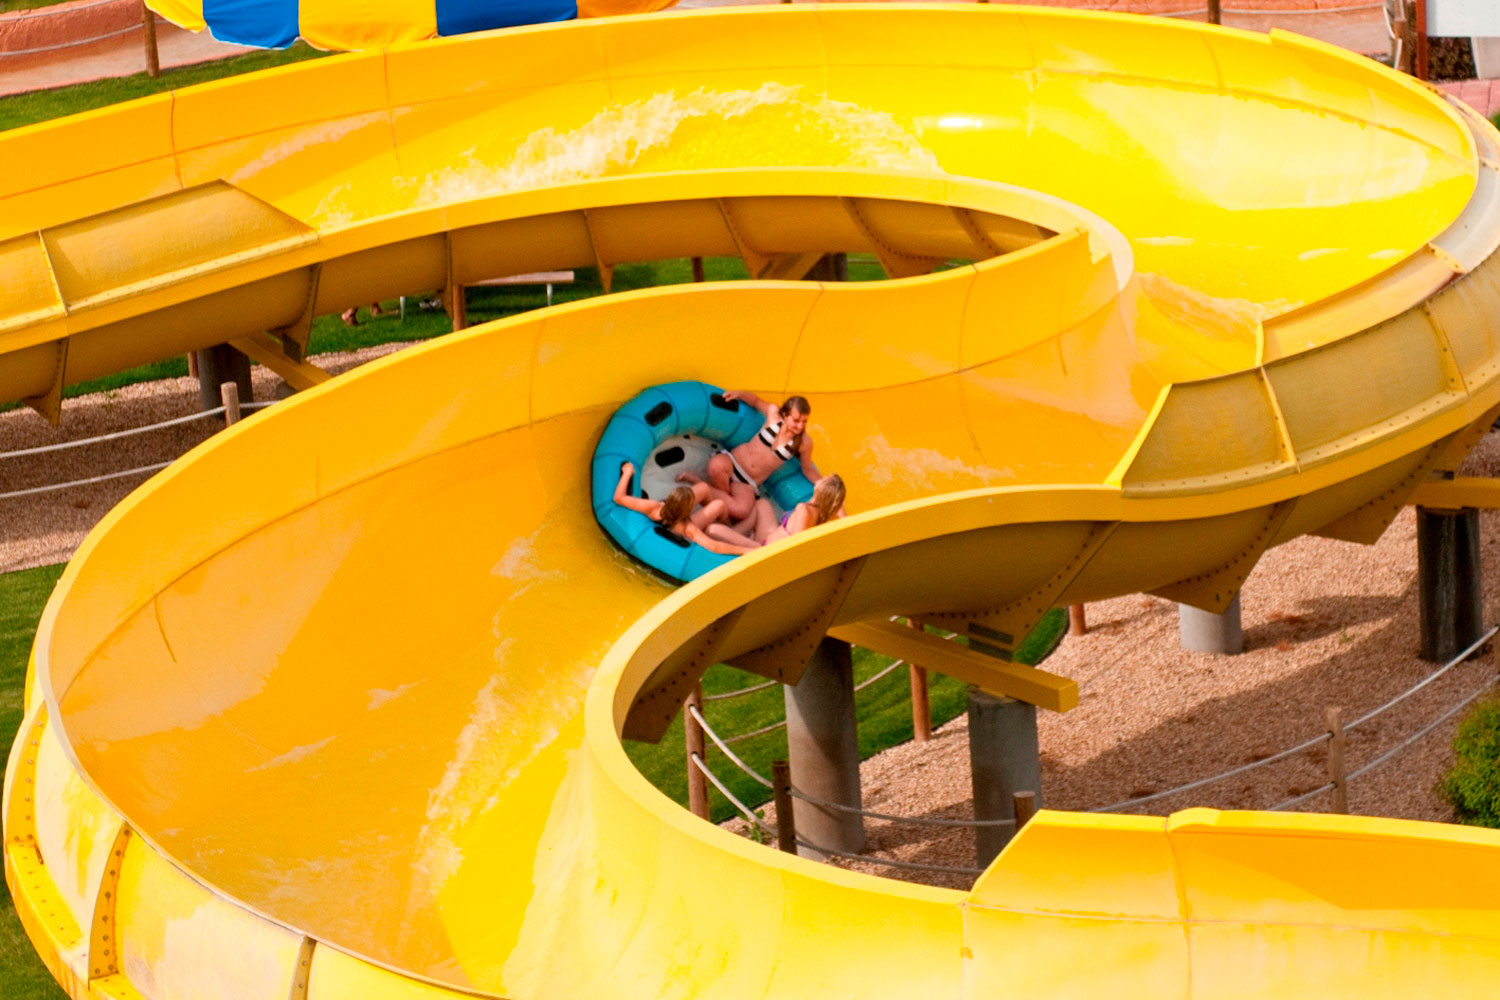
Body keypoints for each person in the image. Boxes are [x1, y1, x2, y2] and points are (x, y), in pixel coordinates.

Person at [679, 391, 822, 522]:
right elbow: (755, 401)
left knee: (742, 511)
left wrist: (823, 483)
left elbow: (807, 469)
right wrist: (739, 393)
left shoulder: (804, 442)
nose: (800, 426)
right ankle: (722, 507)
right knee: (715, 466)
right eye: (796, 420)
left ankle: (699, 484)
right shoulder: (773, 413)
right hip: (734, 462)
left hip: (747, 482)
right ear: (785, 415)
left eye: (804, 422)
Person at [612, 463, 759, 556]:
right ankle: (729, 526)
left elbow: (619, 498)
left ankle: (726, 523)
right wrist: (744, 550)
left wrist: (627, 472)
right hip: (680, 527)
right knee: (719, 504)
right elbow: (714, 547)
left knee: (704, 488)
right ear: (688, 509)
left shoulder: (655, 507)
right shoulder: (687, 527)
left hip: (671, 517)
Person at [705, 474, 847, 549]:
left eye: (824, 480)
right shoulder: (821, 514)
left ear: (823, 490)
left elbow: (795, 545)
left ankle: (738, 538)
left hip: (764, 549)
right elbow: (843, 517)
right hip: (769, 537)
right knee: (762, 504)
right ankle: (737, 534)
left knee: (713, 530)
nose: (820, 479)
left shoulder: (805, 510)